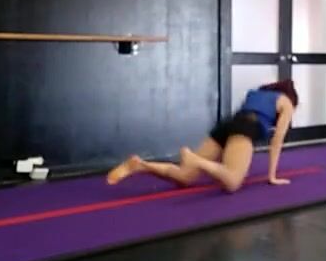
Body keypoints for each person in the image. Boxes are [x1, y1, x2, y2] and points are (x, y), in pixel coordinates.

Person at [107, 79, 298, 193]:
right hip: (245, 129)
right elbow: (277, 141)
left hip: (227, 125)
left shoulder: (257, 94)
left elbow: (237, 129)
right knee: (232, 182)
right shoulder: (287, 103)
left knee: (185, 176)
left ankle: (141, 165)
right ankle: (196, 160)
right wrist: (272, 176)